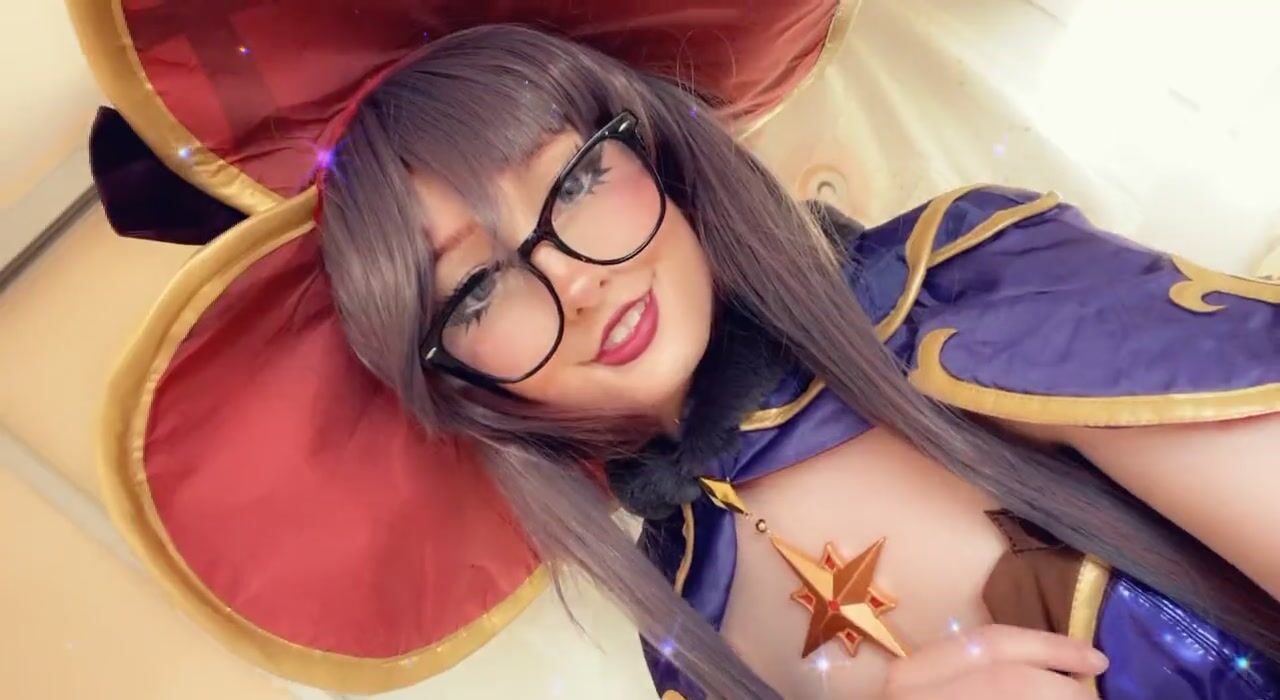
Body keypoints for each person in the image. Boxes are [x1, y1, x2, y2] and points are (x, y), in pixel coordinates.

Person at [72, 1, 1279, 698]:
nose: (575, 279)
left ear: (654, 144)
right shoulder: (679, 629)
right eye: (479, 286)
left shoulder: (962, 289)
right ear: (450, 377)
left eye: (574, 183)